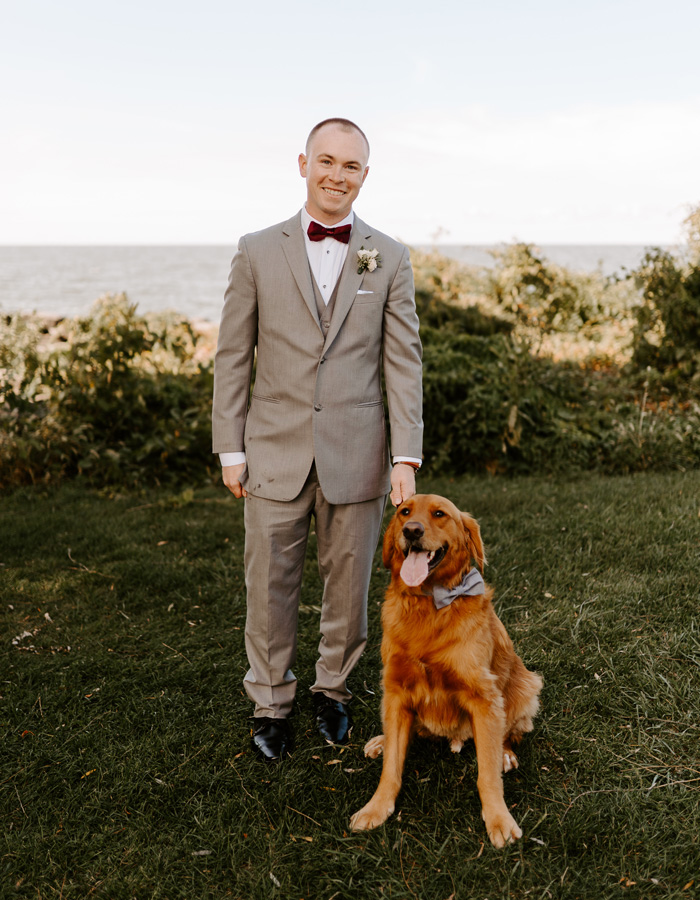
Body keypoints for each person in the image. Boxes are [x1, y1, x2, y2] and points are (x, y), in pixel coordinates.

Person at [212, 118, 423, 761]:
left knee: (348, 582)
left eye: (351, 166)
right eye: (326, 161)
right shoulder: (256, 249)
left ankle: (333, 690)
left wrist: (405, 456)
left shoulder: (388, 254)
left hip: (357, 451)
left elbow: (403, 361)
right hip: (272, 448)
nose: (337, 175)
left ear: (366, 175)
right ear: (302, 163)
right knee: (269, 585)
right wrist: (231, 447)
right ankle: (270, 703)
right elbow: (233, 353)